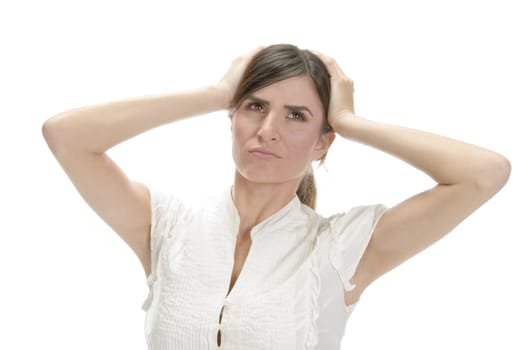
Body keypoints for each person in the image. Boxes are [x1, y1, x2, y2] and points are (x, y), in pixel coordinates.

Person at [42, 44, 511, 349]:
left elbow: (483, 174)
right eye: (256, 106)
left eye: (297, 116)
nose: (267, 131)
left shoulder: (341, 249)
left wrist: (349, 122)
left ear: (323, 141)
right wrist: (218, 92)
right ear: (233, 116)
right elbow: (65, 136)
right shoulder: (167, 225)